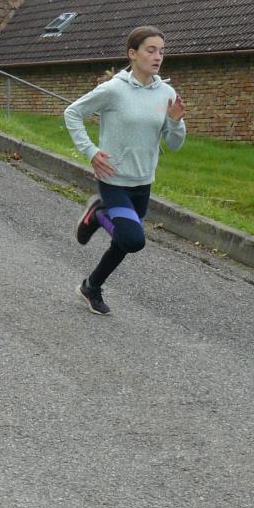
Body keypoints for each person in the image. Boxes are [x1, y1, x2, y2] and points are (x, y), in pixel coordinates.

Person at [63, 25, 187, 316]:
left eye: (161, 51)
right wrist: (91, 152)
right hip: (113, 179)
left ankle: (91, 287)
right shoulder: (114, 90)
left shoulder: (166, 93)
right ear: (133, 54)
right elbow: (72, 113)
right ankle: (98, 213)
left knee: (123, 242)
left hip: (143, 182)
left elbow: (174, 144)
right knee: (133, 239)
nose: (158, 57)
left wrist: (175, 122)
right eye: (151, 50)